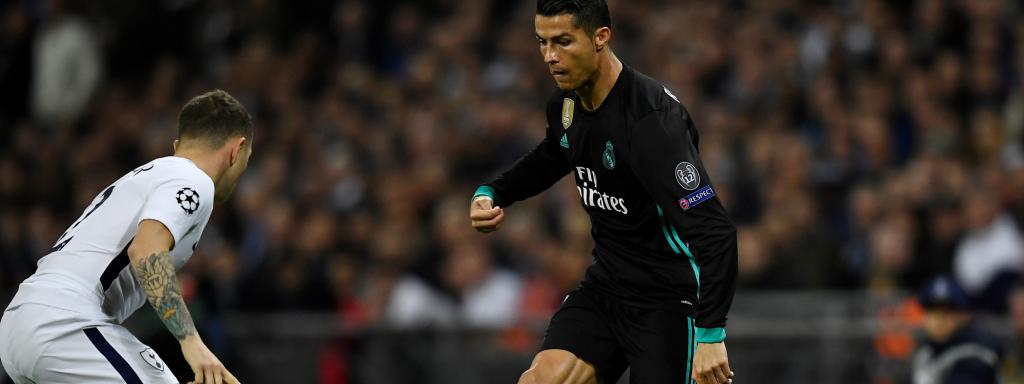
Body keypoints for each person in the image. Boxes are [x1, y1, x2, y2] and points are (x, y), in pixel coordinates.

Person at [469, 1, 737, 383]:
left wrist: (712, 333)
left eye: (562, 42)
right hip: (607, 286)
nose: (549, 56)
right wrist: (493, 191)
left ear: (601, 37)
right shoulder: (566, 103)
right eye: (542, 42)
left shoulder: (651, 123)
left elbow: (716, 232)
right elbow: (553, 154)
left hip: (669, 300)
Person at [0, 90, 252, 384]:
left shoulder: (152, 175)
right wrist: (191, 342)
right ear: (237, 150)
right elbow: (145, 250)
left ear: (178, 146)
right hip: (64, 323)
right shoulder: (193, 179)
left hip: (19, 325)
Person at [912, 276, 1003, 384]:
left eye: (947, 312)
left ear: (964, 316)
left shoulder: (976, 353)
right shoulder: (926, 351)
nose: (939, 320)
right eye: (932, 311)